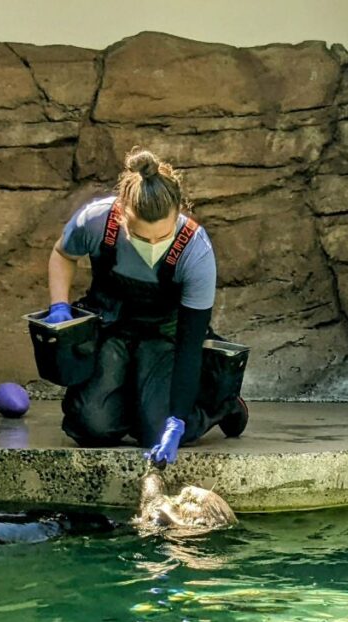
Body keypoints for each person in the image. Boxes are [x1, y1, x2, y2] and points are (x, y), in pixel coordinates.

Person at [44, 146, 242, 464]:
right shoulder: (96, 221)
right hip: (113, 327)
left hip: (166, 335)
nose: (152, 246)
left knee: (156, 430)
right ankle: (132, 402)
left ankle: (223, 403)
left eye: (161, 237)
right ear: (122, 213)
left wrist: (175, 422)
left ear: (178, 212)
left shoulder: (196, 250)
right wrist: (59, 307)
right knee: (90, 425)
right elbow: (62, 254)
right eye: (141, 236)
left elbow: (189, 347)